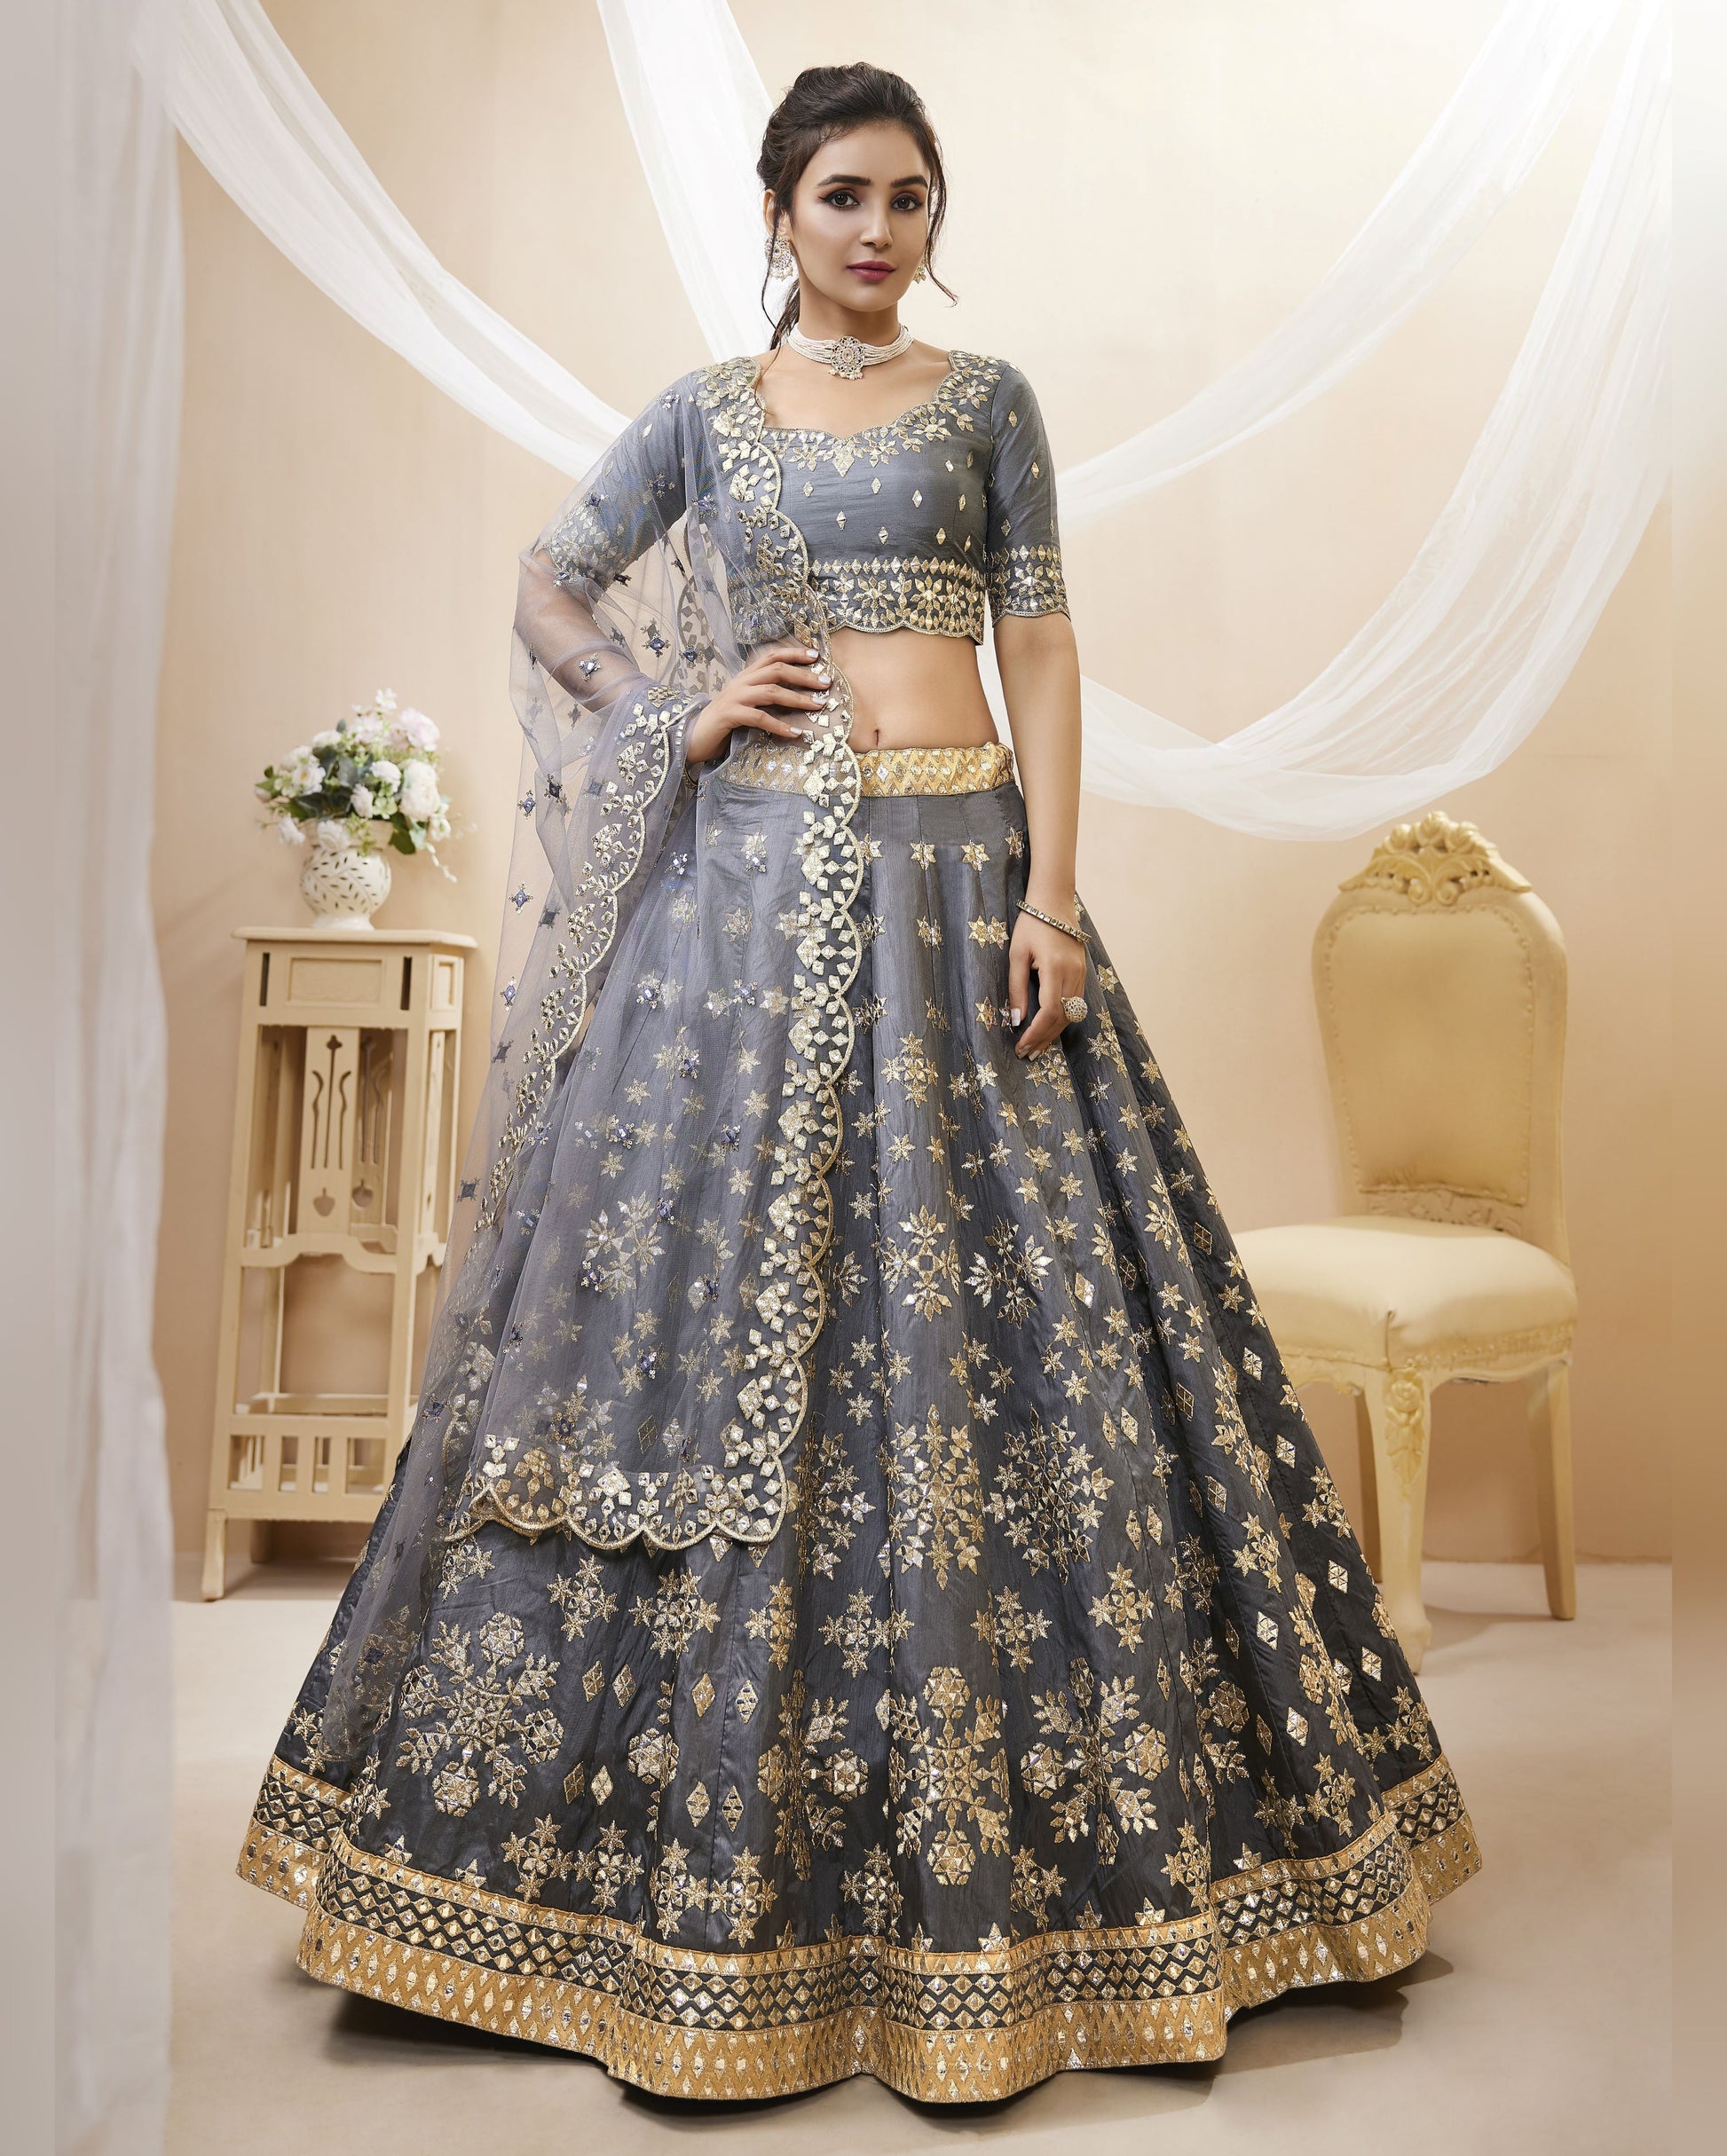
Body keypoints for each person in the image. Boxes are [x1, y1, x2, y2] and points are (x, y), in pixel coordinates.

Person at [237, 62, 1480, 2103]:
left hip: (965, 880)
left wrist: (1053, 900)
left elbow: (1044, 647)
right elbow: (549, 581)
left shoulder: (987, 409)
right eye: (841, 196)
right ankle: (644, 1898)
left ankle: (1089, 1899)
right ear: (777, 209)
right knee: (704, 1343)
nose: (878, 230)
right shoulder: (706, 416)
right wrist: (671, 700)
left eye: (907, 196)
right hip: (743, 922)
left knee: (1033, 1352)